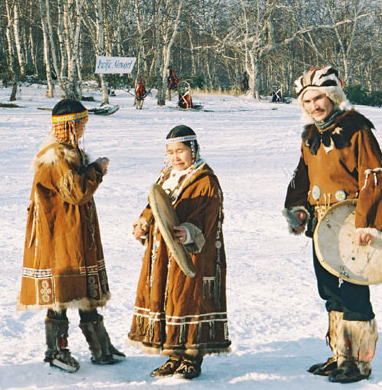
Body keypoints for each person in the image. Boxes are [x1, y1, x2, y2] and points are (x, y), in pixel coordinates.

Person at [283, 66, 382, 383]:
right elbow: (301, 179)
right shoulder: (311, 137)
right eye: (307, 101)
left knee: (355, 294)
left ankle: (359, 362)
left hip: (354, 227)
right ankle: (341, 355)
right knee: (330, 292)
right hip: (321, 228)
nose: (314, 105)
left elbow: (374, 179)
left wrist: (367, 224)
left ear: (332, 97)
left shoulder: (357, 131)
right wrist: (297, 209)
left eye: (319, 98)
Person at [17, 98, 124, 373]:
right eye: (80, 125)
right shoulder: (57, 156)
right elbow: (76, 192)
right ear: (68, 125)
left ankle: (100, 347)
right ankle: (56, 350)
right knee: (62, 292)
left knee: (82, 288)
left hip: (72, 231)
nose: (82, 130)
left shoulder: (67, 151)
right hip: (59, 234)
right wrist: (97, 170)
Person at [128, 125, 231, 380]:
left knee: (189, 300)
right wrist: (143, 222)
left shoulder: (204, 179)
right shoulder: (166, 176)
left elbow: (208, 213)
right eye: (171, 152)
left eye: (181, 151)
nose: (176, 157)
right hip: (163, 254)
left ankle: (192, 358)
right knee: (168, 299)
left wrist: (189, 230)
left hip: (193, 254)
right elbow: (155, 205)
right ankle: (174, 355)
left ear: (193, 150)